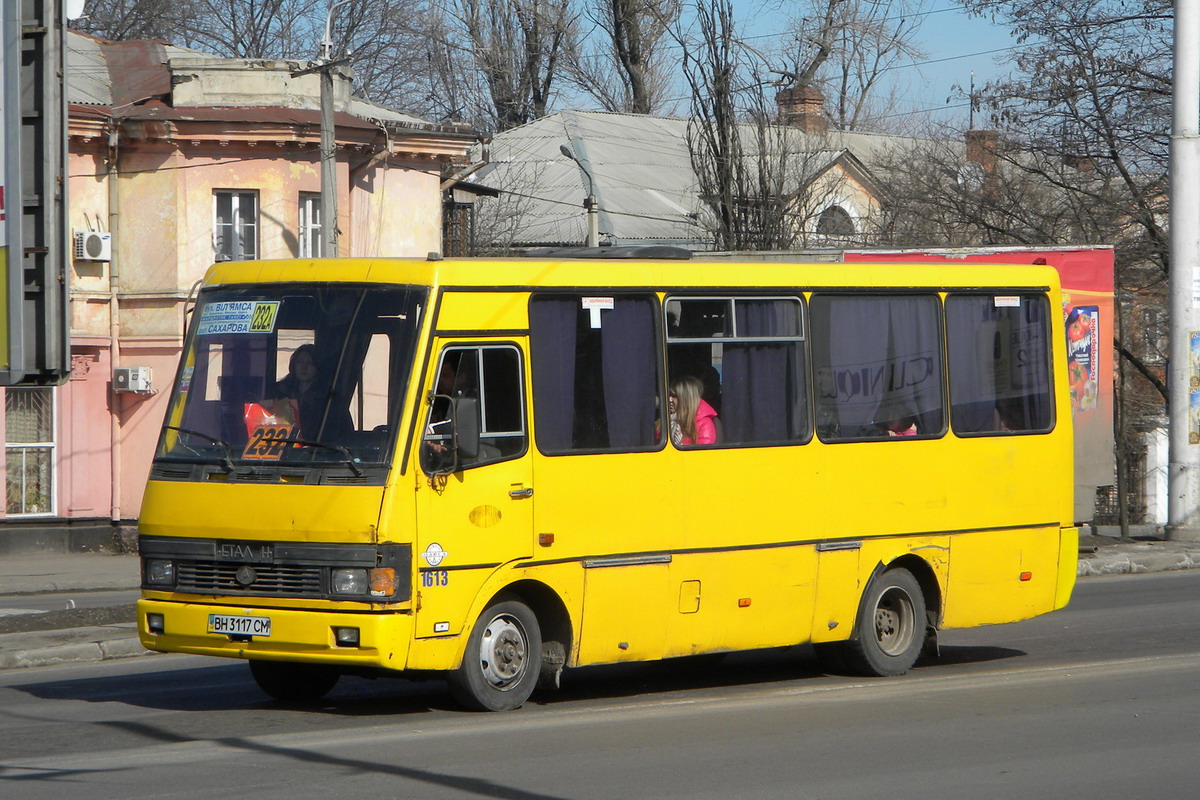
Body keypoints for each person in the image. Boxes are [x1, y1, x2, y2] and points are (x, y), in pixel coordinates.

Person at [669, 375, 718, 446]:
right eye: (669, 395)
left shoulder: (704, 424)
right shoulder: (665, 421)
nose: (669, 399)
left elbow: (702, 454)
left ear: (686, 399)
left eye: (674, 396)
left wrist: (681, 446)